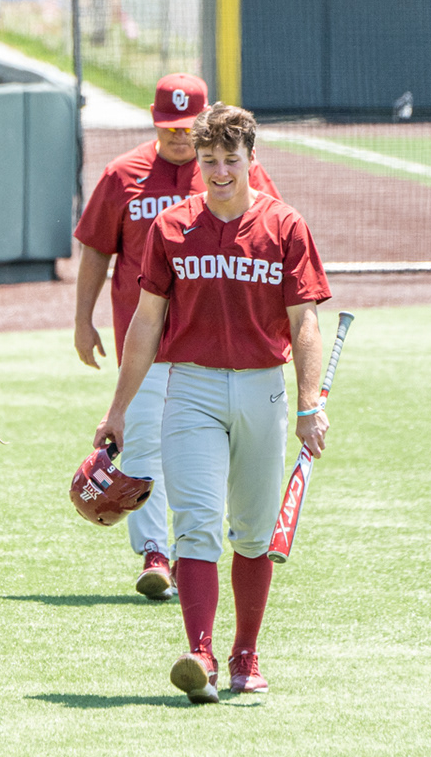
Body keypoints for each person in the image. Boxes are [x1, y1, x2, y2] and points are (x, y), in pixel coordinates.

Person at [93, 103, 329, 704]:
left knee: (251, 530)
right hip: (189, 387)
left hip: (261, 387)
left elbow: (305, 322)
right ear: (196, 163)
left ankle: (245, 653)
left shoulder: (285, 226)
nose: (219, 171)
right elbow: (147, 323)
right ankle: (200, 652)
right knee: (195, 521)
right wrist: (119, 407)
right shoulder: (171, 227)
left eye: (231, 159)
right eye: (209, 160)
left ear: (252, 160)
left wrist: (308, 403)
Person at [73, 74, 282, 601]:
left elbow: (272, 233)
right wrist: (82, 318)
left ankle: (212, 548)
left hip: (214, 348)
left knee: (208, 455)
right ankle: (154, 553)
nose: (179, 138)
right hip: (145, 340)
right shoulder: (123, 175)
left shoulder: (229, 172)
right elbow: (97, 249)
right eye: (169, 127)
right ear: (152, 118)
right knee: (143, 440)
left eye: (188, 128)